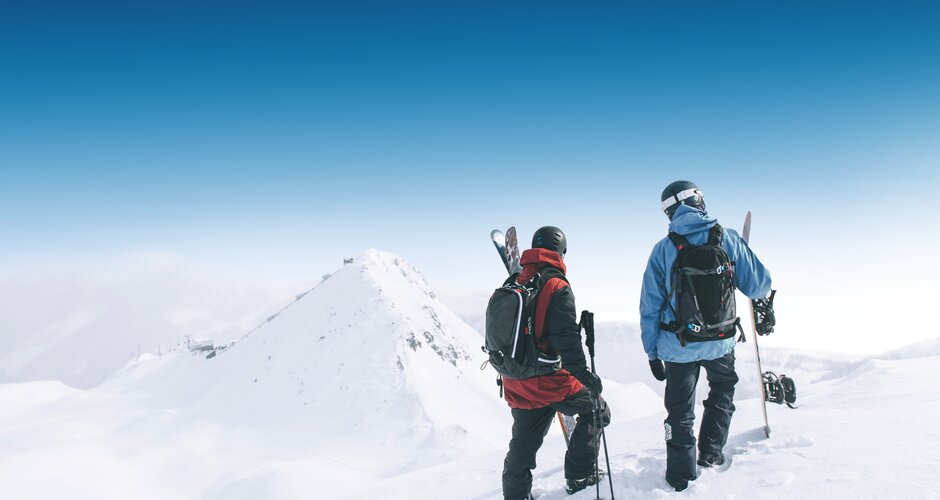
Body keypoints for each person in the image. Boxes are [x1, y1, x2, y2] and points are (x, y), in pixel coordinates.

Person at [640, 181, 773, 492]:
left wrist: (652, 352)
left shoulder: (663, 250)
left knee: (679, 411)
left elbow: (650, 306)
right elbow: (759, 286)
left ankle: (680, 477)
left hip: (677, 346)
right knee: (722, 390)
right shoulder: (727, 238)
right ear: (698, 200)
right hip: (721, 342)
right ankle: (711, 453)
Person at [501, 226, 611, 500]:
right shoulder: (556, 285)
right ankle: (579, 476)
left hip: (515, 379)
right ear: (561, 252)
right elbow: (566, 339)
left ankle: (516, 495)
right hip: (548, 380)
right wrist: (585, 376)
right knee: (597, 410)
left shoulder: (513, 282)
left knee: (523, 443)